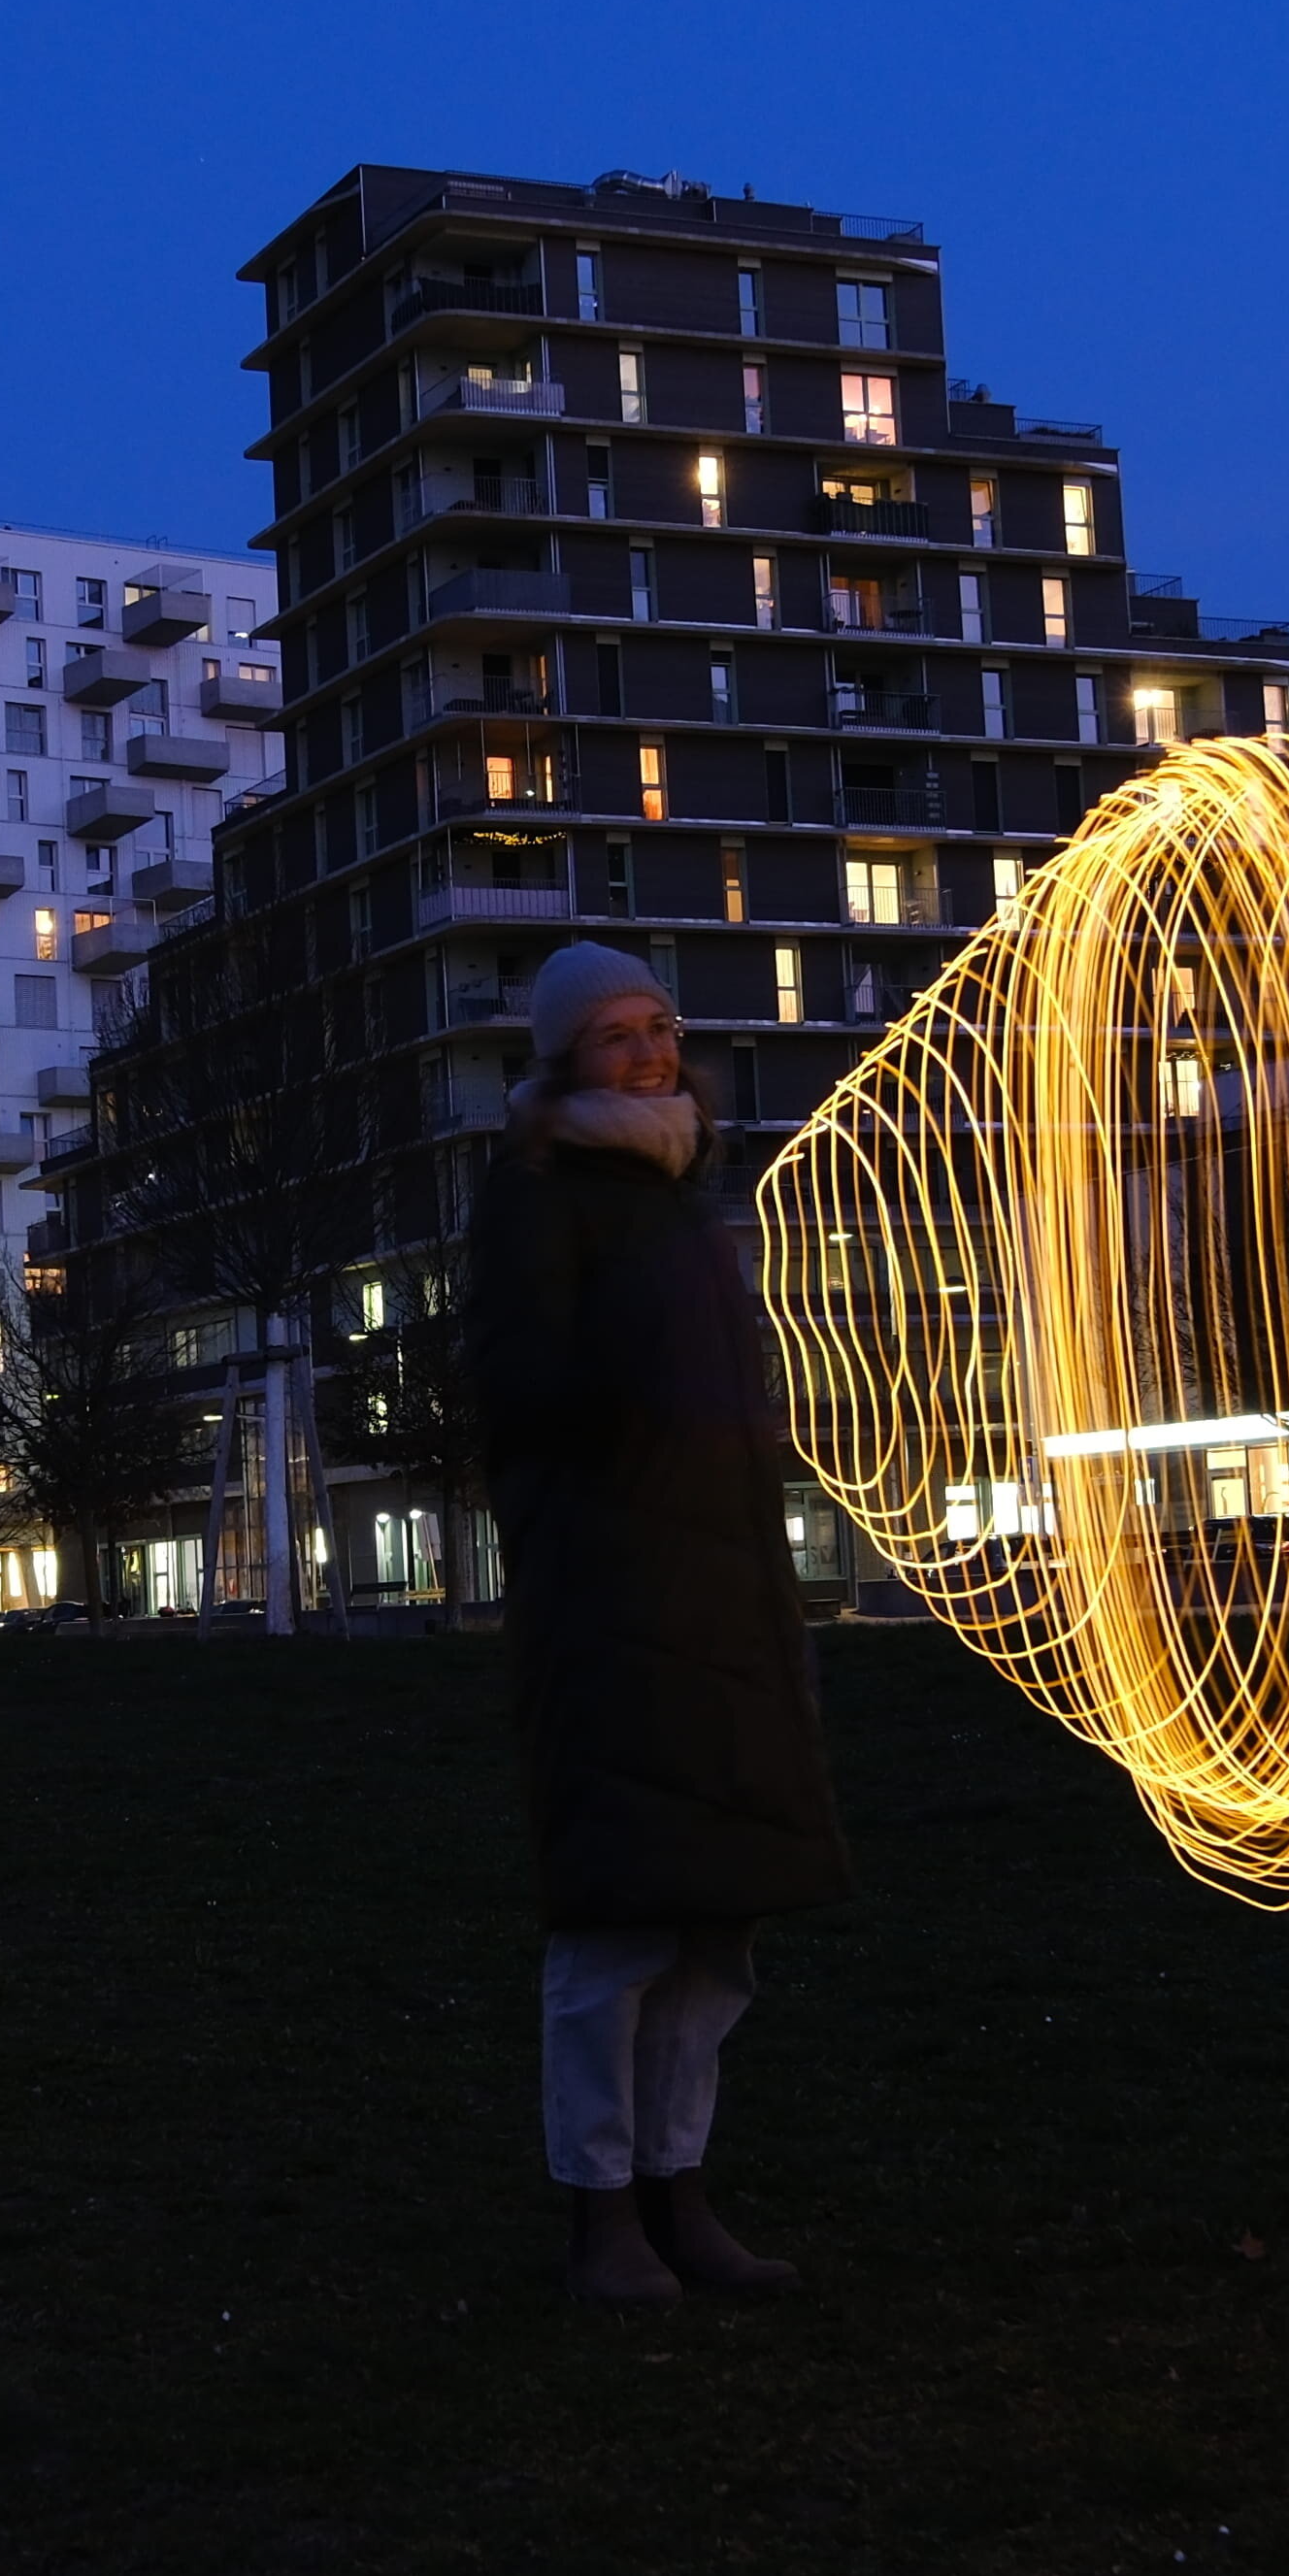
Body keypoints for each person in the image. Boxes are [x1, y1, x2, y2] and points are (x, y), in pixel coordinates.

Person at [470, 941, 855, 2307]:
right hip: (614, 1590)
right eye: (612, 1035)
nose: (643, 1050)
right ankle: (601, 2210)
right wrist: (638, 1430)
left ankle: (679, 2192)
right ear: (565, 1059)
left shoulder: (694, 1192)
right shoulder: (537, 1195)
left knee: (715, 1932)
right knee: (619, 1924)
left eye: (657, 1027)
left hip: (726, 1590)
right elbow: (520, 1393)